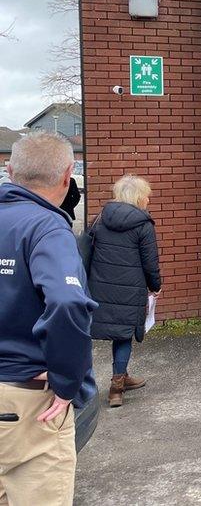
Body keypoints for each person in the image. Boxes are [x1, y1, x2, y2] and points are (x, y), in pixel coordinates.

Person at [0, 132, 97, 505]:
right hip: (25, 401)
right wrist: (66, 380)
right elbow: (68, 303)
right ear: (68, 175)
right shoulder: (47, 227)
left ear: (9, 171)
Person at [87, 175, 161, 408]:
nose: (149, 199)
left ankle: (97, 382)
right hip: (130, 288)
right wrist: (155, 285)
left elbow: (87, 251)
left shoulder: (99, 219)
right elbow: (150, 261)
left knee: (99, 333)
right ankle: (117, 387)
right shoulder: (143, 224)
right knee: (123, 334)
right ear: (139, 197)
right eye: (147, 194)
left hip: (99, 286)